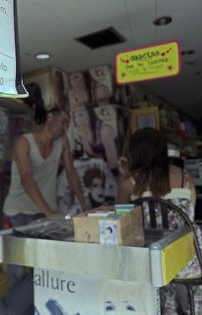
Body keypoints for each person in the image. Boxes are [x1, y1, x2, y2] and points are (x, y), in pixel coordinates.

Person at [0, 105, 87, 315]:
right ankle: (12, 310)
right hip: (18, 211)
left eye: (67, 124)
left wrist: (85, 205)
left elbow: (71, 173)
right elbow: (26, 179)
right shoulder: (24, 143)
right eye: (63, 121)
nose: (65, 127)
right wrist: (49, 212)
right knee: (18, 267)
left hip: (42, 213)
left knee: (44, 265)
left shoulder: (62, 143)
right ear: (50, 117)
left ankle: (8, 309)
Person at [116, 127, 202, 314]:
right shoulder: (185, 178)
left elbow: (118, 220)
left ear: (136, 153)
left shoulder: (130, 183)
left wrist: (125, 173)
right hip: (189, 262)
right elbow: (191, 216)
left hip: (152, 266)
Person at [71, 104, 118, 172]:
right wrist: (82, 137)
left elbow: (113, 164)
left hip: (116, 173)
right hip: (101, 172)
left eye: (81, 115)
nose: (78, 120)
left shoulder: (104, 130)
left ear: (90, 114)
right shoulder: (84, 132)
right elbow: (91, 159)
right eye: (75, 116)